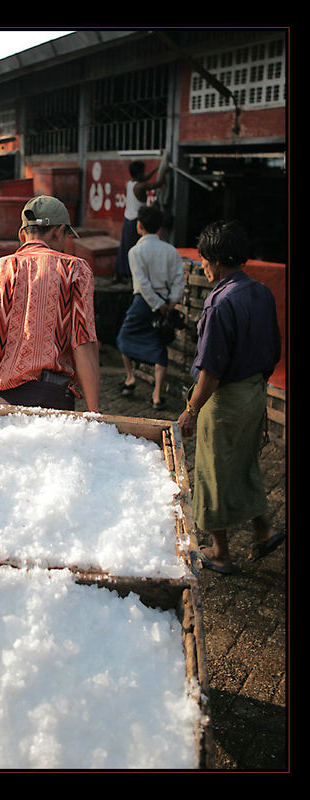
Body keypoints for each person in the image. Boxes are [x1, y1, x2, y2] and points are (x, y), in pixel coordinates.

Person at [177, 219, 282, 575]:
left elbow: (211, 371)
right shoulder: (262, 292)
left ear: (217, 260)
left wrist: (191, 410)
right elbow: (274, 350)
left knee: (212, 473)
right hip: (255, 394)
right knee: (243, 465)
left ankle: (220, 552)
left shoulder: (219, 303)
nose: (202, 265)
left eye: (204, 259)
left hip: (224, 400)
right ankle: (263, 530)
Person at [0, 195, 100, 412]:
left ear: (22, 234)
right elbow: (83, 342)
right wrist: (94, 414)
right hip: (54, 400)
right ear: (59, 231)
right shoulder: (75, 270)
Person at [115, 204, 185, 409]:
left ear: (139, 226)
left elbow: (143, 283)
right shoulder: (171, 251)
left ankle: (130, 378)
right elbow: (178, 279)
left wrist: (157, 304)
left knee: (124, 338)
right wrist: (170, 302)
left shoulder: (135, 251)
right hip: (166, 302)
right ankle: (156, 396)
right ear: (160, 228)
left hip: (143, 303)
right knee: (159, 345)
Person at [114, 160, 168, 281]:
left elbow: (145, 178)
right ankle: (129, 275)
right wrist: (164, 170)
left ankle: (118, 273)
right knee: (134, 248)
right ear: (139, 174)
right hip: (136, 221)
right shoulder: (140, 186)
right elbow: (159, 184)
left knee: (124, 247)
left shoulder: (130, 183)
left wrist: (155, 170)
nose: (145, 174)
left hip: (127, 218)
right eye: (143, 172)